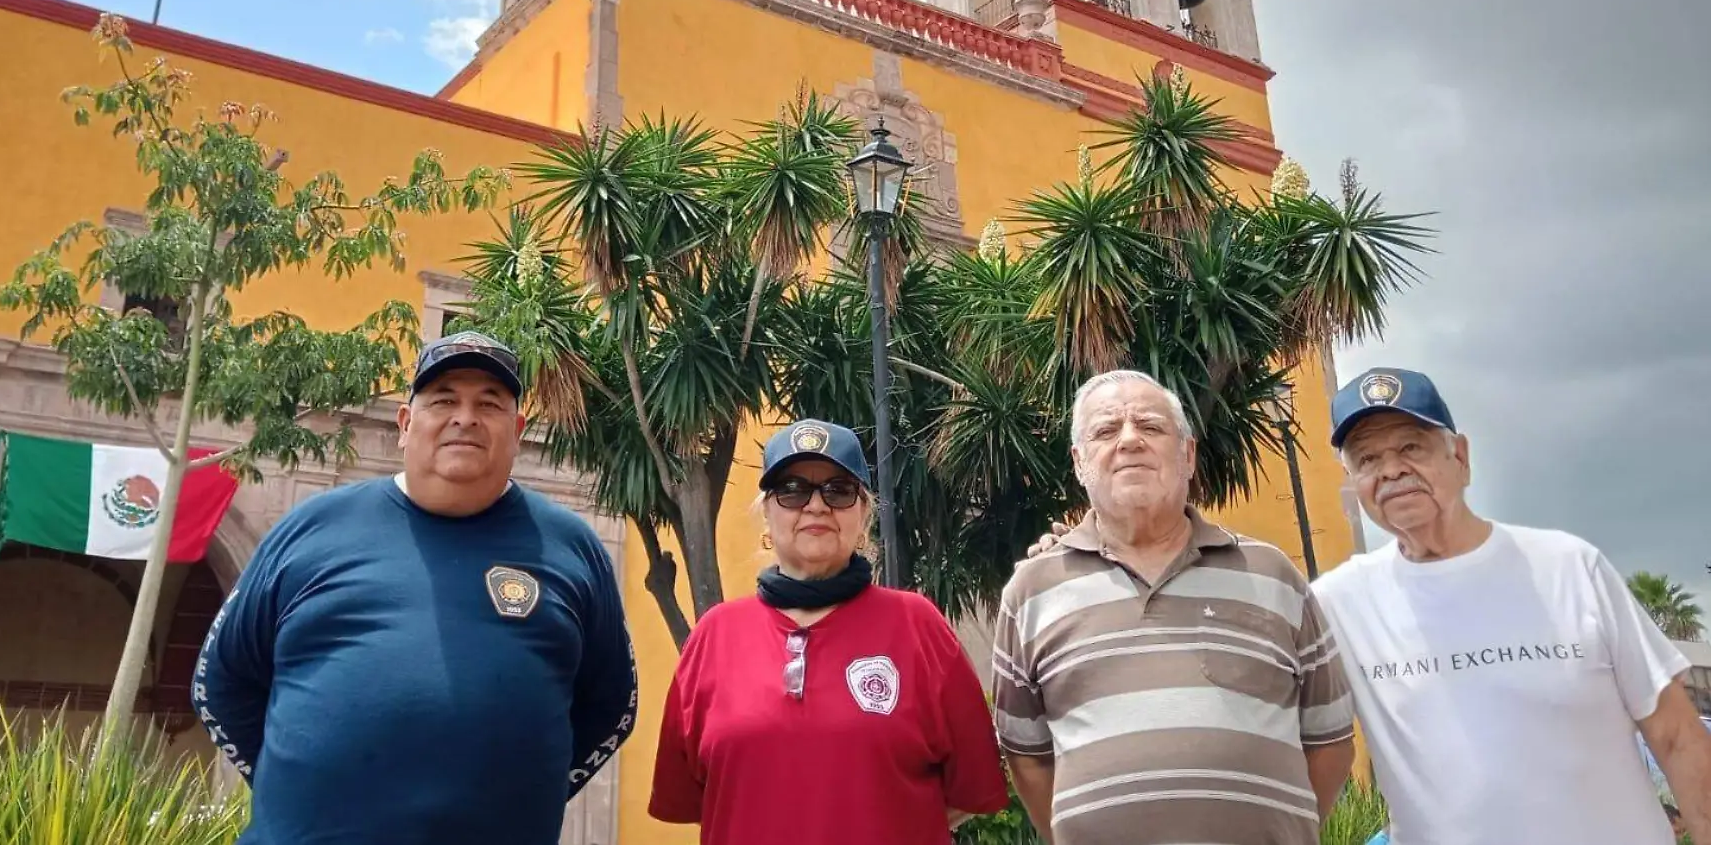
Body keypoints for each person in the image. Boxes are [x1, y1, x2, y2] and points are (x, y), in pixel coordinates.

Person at [192, 331, 638, 844]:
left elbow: (611, 706)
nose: (465, 417)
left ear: (516, 430)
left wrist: (519, 792)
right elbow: (220, 685)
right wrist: (294, 791)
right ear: (405, 424)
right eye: (444, 399)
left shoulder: (570, 547)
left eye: (488, 403)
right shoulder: (312, 528)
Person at [1311, 367, 1711, 845]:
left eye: (1410, 447)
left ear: (1459, 456)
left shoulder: (1570, 568)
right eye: (1367, 458)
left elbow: (1678, 736)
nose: (1391, 470)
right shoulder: (1337, 603)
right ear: (1353, 483)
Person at [994, 370, 1356, 844]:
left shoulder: (1272, 575)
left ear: (1187, 455)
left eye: (1151, 426)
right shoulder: (1031, 591)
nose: (1129, 441)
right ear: (1080, 462)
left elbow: (1329, 739)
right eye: (1106, 430)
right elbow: (1027, 756)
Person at [648, 418, 1010, 844]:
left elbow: (971, 786)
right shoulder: (713, 637)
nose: (816, 506)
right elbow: (699, 800)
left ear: (865, 513)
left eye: (838, 490)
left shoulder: (918, 627)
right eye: (792, 490)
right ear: (766, 511)